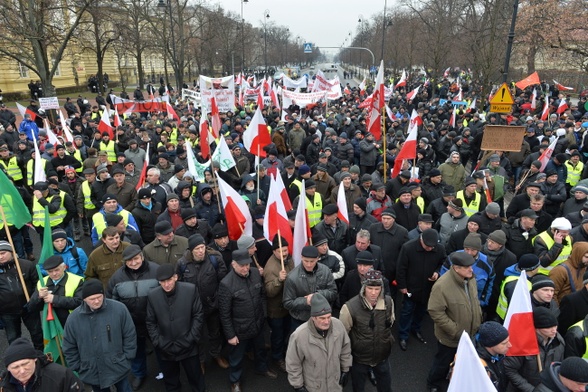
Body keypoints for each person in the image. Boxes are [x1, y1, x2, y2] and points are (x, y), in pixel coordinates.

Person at [218, 249, 277, 392]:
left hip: (257, 324)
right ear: (233, 264)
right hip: (240, 329)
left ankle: (261, 368)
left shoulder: (255, 273)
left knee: (260, 350)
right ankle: (235, 381)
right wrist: (231, 335)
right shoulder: (226, 284)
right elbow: (224, 314)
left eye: (247, 264)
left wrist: (262, 314)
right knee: (236, 358)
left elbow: (262, 295)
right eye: (241, 265)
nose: (245, 268)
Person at [63, 279, 137, 392]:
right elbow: (69, 345)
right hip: (92, 371)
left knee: (124, 388)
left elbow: (129, 335)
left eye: (99, 297)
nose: (97, 301)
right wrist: (78, 367)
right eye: (92, 299)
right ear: (84, 299)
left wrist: (127, 358)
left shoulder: (119, 309)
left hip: (118, 366)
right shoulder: (73, 319)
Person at [427, 252, 482, 392]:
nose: (471, 270)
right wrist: (455, 330)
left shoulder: (471, 280)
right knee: (442, 363)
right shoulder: (442, 286)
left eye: (471, 266)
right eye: (467, 267)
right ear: (456, 268)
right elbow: (435, 311)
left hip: (470, 333)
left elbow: (474, 301)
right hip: (451, 337)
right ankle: (433, 383)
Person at [107, 245, 159, 390]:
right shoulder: (116, 277)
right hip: (130, 324)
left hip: (154, 322)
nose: (134, 263)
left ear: (142, 257)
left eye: (136, 259)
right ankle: (139, 374)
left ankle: (166, 371)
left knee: (161, 348)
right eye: (129, 261)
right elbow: (111, 300)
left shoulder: (156, 271)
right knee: (135, 351)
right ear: (124, 262)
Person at [146, 264, 205, 392]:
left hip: (189, 347)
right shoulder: (152, 295)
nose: (166, 284)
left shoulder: (190, 290)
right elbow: (150, 322)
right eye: (162, 281)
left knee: (196, 379)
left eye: (169, 280)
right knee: (171, 383)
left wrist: (191, 339)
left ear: (176, 277)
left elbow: (198, 316)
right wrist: (159, 342)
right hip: (165, 348)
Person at [175, 234, 229, 373]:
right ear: (191, 250)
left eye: (202, 247)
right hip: (193, 307)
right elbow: (179, 284)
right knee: (197, 336)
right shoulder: (182, 263)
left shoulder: (214, 258)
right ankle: (200, 360)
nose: (200, 251)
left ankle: (216, 355)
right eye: (197, 248)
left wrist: (217, 299)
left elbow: (223, 281)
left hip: (212, 304)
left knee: (215, 333)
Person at [340, 269, 394, 392]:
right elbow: (343, 336)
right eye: (370, 288)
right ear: (363, 287)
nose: (373, 293)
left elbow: (390, 323)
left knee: (386, 388)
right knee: (358, 388)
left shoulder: (389, 303)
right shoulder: (349, 307)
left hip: (382, 357)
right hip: (360, 359)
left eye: (377, 289)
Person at [286, 293, 352, 392]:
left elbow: (345, 348)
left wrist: (345, 369)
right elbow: (293, 363)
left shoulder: (338, 325)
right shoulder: (299, 335)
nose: (327, 321)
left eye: (329, 317)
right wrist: (298, 385)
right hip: (314, 387)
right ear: (313, 317)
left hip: (335, 385)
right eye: (322, 318)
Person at [396, 229, 446, 351]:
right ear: (421, 240)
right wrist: (402, 286)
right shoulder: (408, 248)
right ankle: (403, 335)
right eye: (427, 246)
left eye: (432, 247)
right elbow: (401, 268)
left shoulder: (439, 249)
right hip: (411, 287)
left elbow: (443, 262)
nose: (429, 249)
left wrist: (437, 272)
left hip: (428, 288)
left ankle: (416, 329)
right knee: (407, 311)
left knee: (421, 311)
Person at [504, 307, 565, 391]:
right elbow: (510, 369)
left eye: (555, 326)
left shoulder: (559, 342)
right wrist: (531, 390)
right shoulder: (523, 343)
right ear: (537, 328)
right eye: (548, 328)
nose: (554, 331)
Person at [283, 245, 338, 331]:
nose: (308, 264)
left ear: (317, 258)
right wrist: (306, 301)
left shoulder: (325, 271)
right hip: (301, 320)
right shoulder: (292, 277)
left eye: (312, 261)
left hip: (322, 317)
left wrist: (317, 296)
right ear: (301, 258)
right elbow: (287, 302)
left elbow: (333, 293)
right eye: (306, 261)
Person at [0, 241, 43, 350]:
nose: (0, 257)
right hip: (7, 312)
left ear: (11, 252)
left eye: (3, 253)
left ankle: (41, 357)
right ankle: (20, 361)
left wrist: (34, 300)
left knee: (37, 335)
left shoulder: (26, 265)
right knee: (13, 339)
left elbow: (38, 283)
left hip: (30, 307)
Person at [0, 337, 82, 391]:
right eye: (15, 367)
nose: (22, 371)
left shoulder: (61, 375)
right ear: (8, 368)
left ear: (35, 359)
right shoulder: (3, 385)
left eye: (25, 364)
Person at [263, 235, 294, 372]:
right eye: (281, 251)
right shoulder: (270, 268)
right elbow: (269, 292)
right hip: (276, 310)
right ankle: (277, 357)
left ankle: (282, 351)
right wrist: (279, 281)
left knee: (286, 332)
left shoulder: (289, 260)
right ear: (274, 251)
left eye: (285, 250)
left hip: (287, 306)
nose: (284, 253)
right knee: (277, 336)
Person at [29, 255, 83, 328]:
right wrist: (38, 296)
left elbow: (80, 303)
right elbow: (31, 307)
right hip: (52, 325)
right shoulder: (42, 282)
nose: (54, 274)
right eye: (50, 271)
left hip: (74, 323)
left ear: (64, 267)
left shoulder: (77, 280)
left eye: (57, 270)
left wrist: (54, 299)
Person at [474, 321, 511, 391]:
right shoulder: (478, 367)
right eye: (504, 343)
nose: (510, 345)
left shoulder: (498, 354)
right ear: (490, 345)